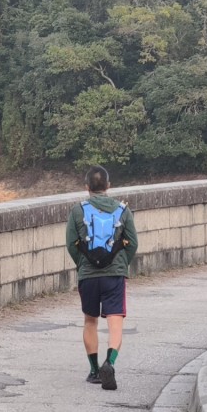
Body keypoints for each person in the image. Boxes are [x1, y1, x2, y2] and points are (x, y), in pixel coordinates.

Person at [65, 165, 139, 390]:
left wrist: (84, 264)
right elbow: (133, 243)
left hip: (88, 275)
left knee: (90, 320)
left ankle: (94, 370)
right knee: (115, 320)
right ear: (108, 186)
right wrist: (119, 264)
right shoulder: (122, 210)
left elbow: (71, 244)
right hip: (114, 274)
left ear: (86, 187)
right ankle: (111, 362)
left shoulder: (78, 211)